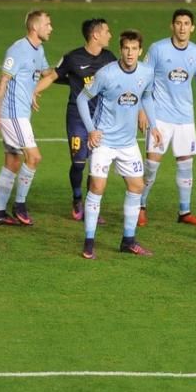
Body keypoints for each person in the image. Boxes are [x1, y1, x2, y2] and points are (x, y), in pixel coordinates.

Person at [75, 29, 162, 259]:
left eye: (134, 49)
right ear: (121, 50)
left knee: (136, 187)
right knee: (97, 188)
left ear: (140, 51)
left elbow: (145, 97)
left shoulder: (146, 72)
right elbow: (82, 99)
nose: (130, 53)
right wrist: (91, 130)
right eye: (126, 48)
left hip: (127, 142)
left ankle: (128, 240)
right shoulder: (106, 74)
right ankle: (89, 241)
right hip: (104, 141)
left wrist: (154, 125)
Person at [32, 18, 117, 220]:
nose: (109, 35)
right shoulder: (72, 58)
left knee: (95, 163)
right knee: (79, 162)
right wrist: (33, 92)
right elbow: (52, 76)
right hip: (77, 117)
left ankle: (91, 205)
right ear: (95, 35)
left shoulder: (110, 58)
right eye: (106, 31)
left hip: (101, 120)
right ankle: (77, 198)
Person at [136, 9, 196, 228]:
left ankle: (185, 211)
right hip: (159, 117)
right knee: (151, 164)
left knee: (186, 165)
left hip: (185, 118)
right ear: (172, 26)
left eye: (186, 23)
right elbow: (143, 78)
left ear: (192, 27)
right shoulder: (158, 49)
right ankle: (140, 207)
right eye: (178, 23)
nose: (182, 27)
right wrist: (142, 109)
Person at [0, 10, 54, 226]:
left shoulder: (39, 49)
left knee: (12, 162)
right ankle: (20, 205)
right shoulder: (18, 50)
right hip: (12, 114)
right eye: (47, 24)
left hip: (22, 113)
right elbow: (3, 80)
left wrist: (68, 70)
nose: (51, 28)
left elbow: (46, 73)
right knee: (34, 157)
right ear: (35, 27)